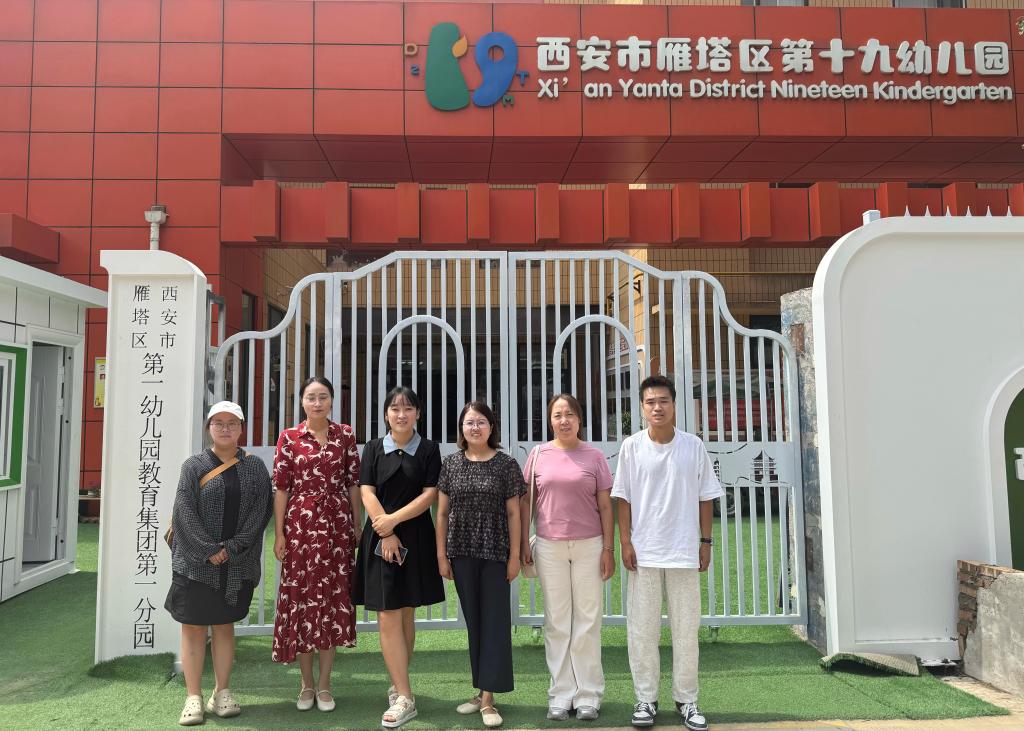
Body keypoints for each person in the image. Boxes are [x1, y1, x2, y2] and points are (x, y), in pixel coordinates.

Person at [612, 374, 723, 731]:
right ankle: (646, 698)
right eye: (650, 402)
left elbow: (706, 497)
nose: (657, 407)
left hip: (683, 551)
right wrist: (625, 541)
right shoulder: (632, 447)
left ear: (674, 405)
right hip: (644, 553)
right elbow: (623, 497)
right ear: (642, 407)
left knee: (686, 630)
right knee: (642, 631)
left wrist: (705, 542)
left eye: (663, 401)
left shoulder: (693, 446)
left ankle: (687, 699)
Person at [165, 400, 273, 726]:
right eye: (218, 423)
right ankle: (193, 696)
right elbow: (183, 510)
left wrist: (233, 547)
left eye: (232, 423)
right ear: (208, 428)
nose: (225, 429)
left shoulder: (255, 467)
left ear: (241, 428)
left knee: (225, 626)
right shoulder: (194, 465)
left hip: (236, 563)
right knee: (194, 627)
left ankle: (221, 691)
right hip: (195, 563)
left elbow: (261, 511)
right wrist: (208, 549)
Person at [353, 386, 445, 729]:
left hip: (415, 538)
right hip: (381, 538)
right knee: (388, 614)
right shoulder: (374, 448)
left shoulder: (429, 449)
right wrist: (386, 529)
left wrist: (394, 521)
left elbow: (430, 495)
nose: (401, 414)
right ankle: (405, 696)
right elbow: (366, 490)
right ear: (386, 414)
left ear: (418, 413)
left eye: (408, 408)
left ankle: (398, 684)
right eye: (395, 408)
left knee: (406, 612)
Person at [520, 394, 615, 722]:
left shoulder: (595, 456)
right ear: (550, 420)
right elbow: (527, 503)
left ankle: (588, 694)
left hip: (590, 545)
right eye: (558, 415)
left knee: (587, 620)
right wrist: (523, 543)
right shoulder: (538, 455)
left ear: (579, 419)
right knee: (557, 621)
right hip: (550, 547)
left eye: (570, 414)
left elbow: (606, 505)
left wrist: (608, 549)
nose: (564, 421)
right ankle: (561, 694)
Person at [271, 376, 362, 713]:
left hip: (337, 528)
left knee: (333, 600)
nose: (317, 402)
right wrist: (280, 533)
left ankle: (325, 685)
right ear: (302, 402)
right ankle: (306, 684)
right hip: (301, 528)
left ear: (332, 400)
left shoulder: (345, 435)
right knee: (302, 600)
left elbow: (353, 483)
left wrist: (357, 525)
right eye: (311, 397)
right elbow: (282, 487)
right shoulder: (289, 437)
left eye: (323, 396)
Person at [436, 401, 525, 729]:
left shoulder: (506, 464)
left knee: (494, 623)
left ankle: (488, 699)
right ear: (462, 428)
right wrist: (441, 555)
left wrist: (514, 556)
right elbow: (442, 513)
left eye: (481, 422)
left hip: (496, 553)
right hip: (461, 552)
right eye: (470, 422)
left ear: (491, 427)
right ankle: (481, 690)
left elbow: (514, 513)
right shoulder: (451, 464)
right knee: (475, 622)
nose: (475, 428)